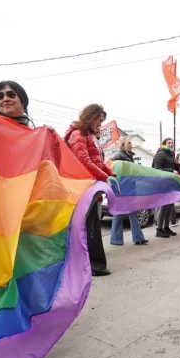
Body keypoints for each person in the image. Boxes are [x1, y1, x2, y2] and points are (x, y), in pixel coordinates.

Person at [64, 104, 116, 276]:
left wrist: (111, 173)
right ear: (91, 117)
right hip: (83, 187)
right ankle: (95, 265)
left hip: (91, 186)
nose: (100, 124)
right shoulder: (78, 135)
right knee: (90, 225)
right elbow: (83, 161)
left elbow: (98, 161)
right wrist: (105, 177)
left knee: (91, 224)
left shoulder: (88, 135)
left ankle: (91, 263)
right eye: (99, 120)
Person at [109, 137, 148, 246]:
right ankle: (117, 239)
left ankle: (137, 238)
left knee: (132, 213)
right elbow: (114, 172)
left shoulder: (129, 156)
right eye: (129, 143)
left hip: (129, 189)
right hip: (122, 189)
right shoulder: (118, 157)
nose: (131, 144)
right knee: (119, 213)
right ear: (122, 146)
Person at [152, 138, 178, 238]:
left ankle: (166, 227)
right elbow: (156, 169)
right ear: (164, 144)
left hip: (169, 183)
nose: (171, 144)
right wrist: (171, 170)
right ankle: (159, 229)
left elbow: (176, 170)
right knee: (163, 207)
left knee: (169, 206)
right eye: (169, 143)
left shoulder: (171, 154)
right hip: (161, 183)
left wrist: (177, 164)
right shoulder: (161, 154)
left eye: (172, 143)